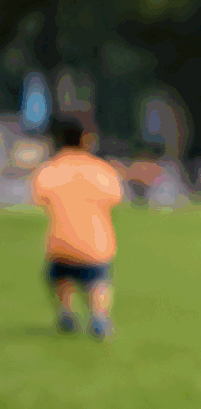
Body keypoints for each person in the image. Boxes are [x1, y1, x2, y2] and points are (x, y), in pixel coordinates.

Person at [32, 117, 122, 339]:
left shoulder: (50, 169)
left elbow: (39, 196)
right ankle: (99, 317)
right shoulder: (101, 169)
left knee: (60, 277)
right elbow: (115, 198)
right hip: (95, 243)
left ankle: (67, 313)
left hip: (60, 242)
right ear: (86, 139)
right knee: (98, 282)